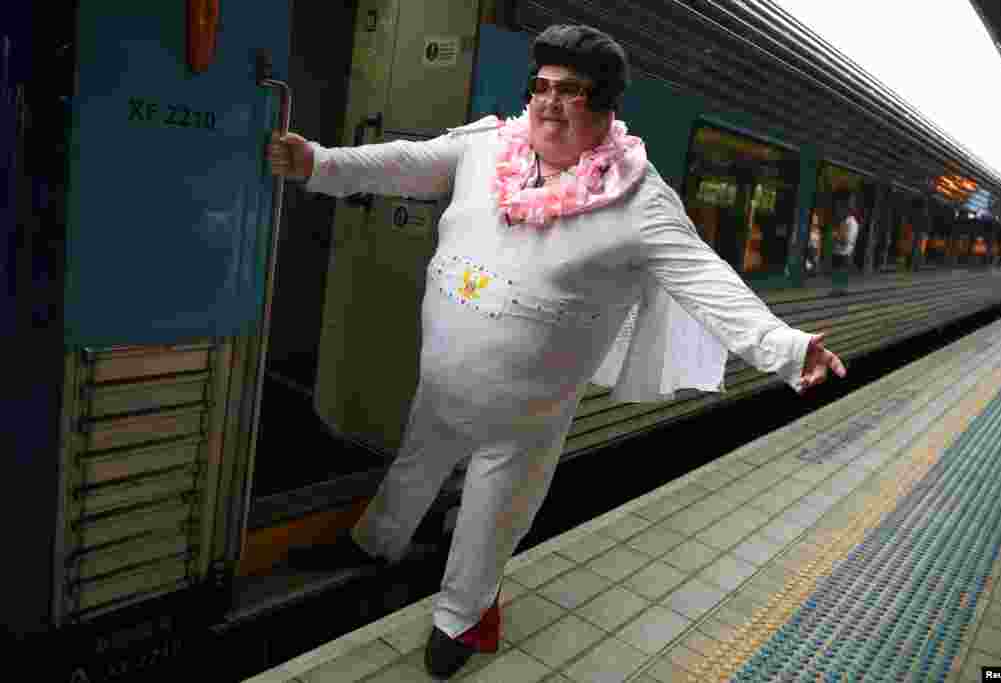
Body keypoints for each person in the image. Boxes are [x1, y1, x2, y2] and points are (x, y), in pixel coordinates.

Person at [267, 24, 846, 678]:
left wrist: (787, 347)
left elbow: (706, 280)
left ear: (606, 107)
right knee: (415, 463)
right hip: (442, 384)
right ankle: (376, 543)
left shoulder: (638, 198)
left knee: (489, 516)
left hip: (526, 417)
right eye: (541, 86)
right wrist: (318, 163)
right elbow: (404, 162)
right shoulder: (486, 146)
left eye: (570, 91)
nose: (548, 102)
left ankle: (459, 616)